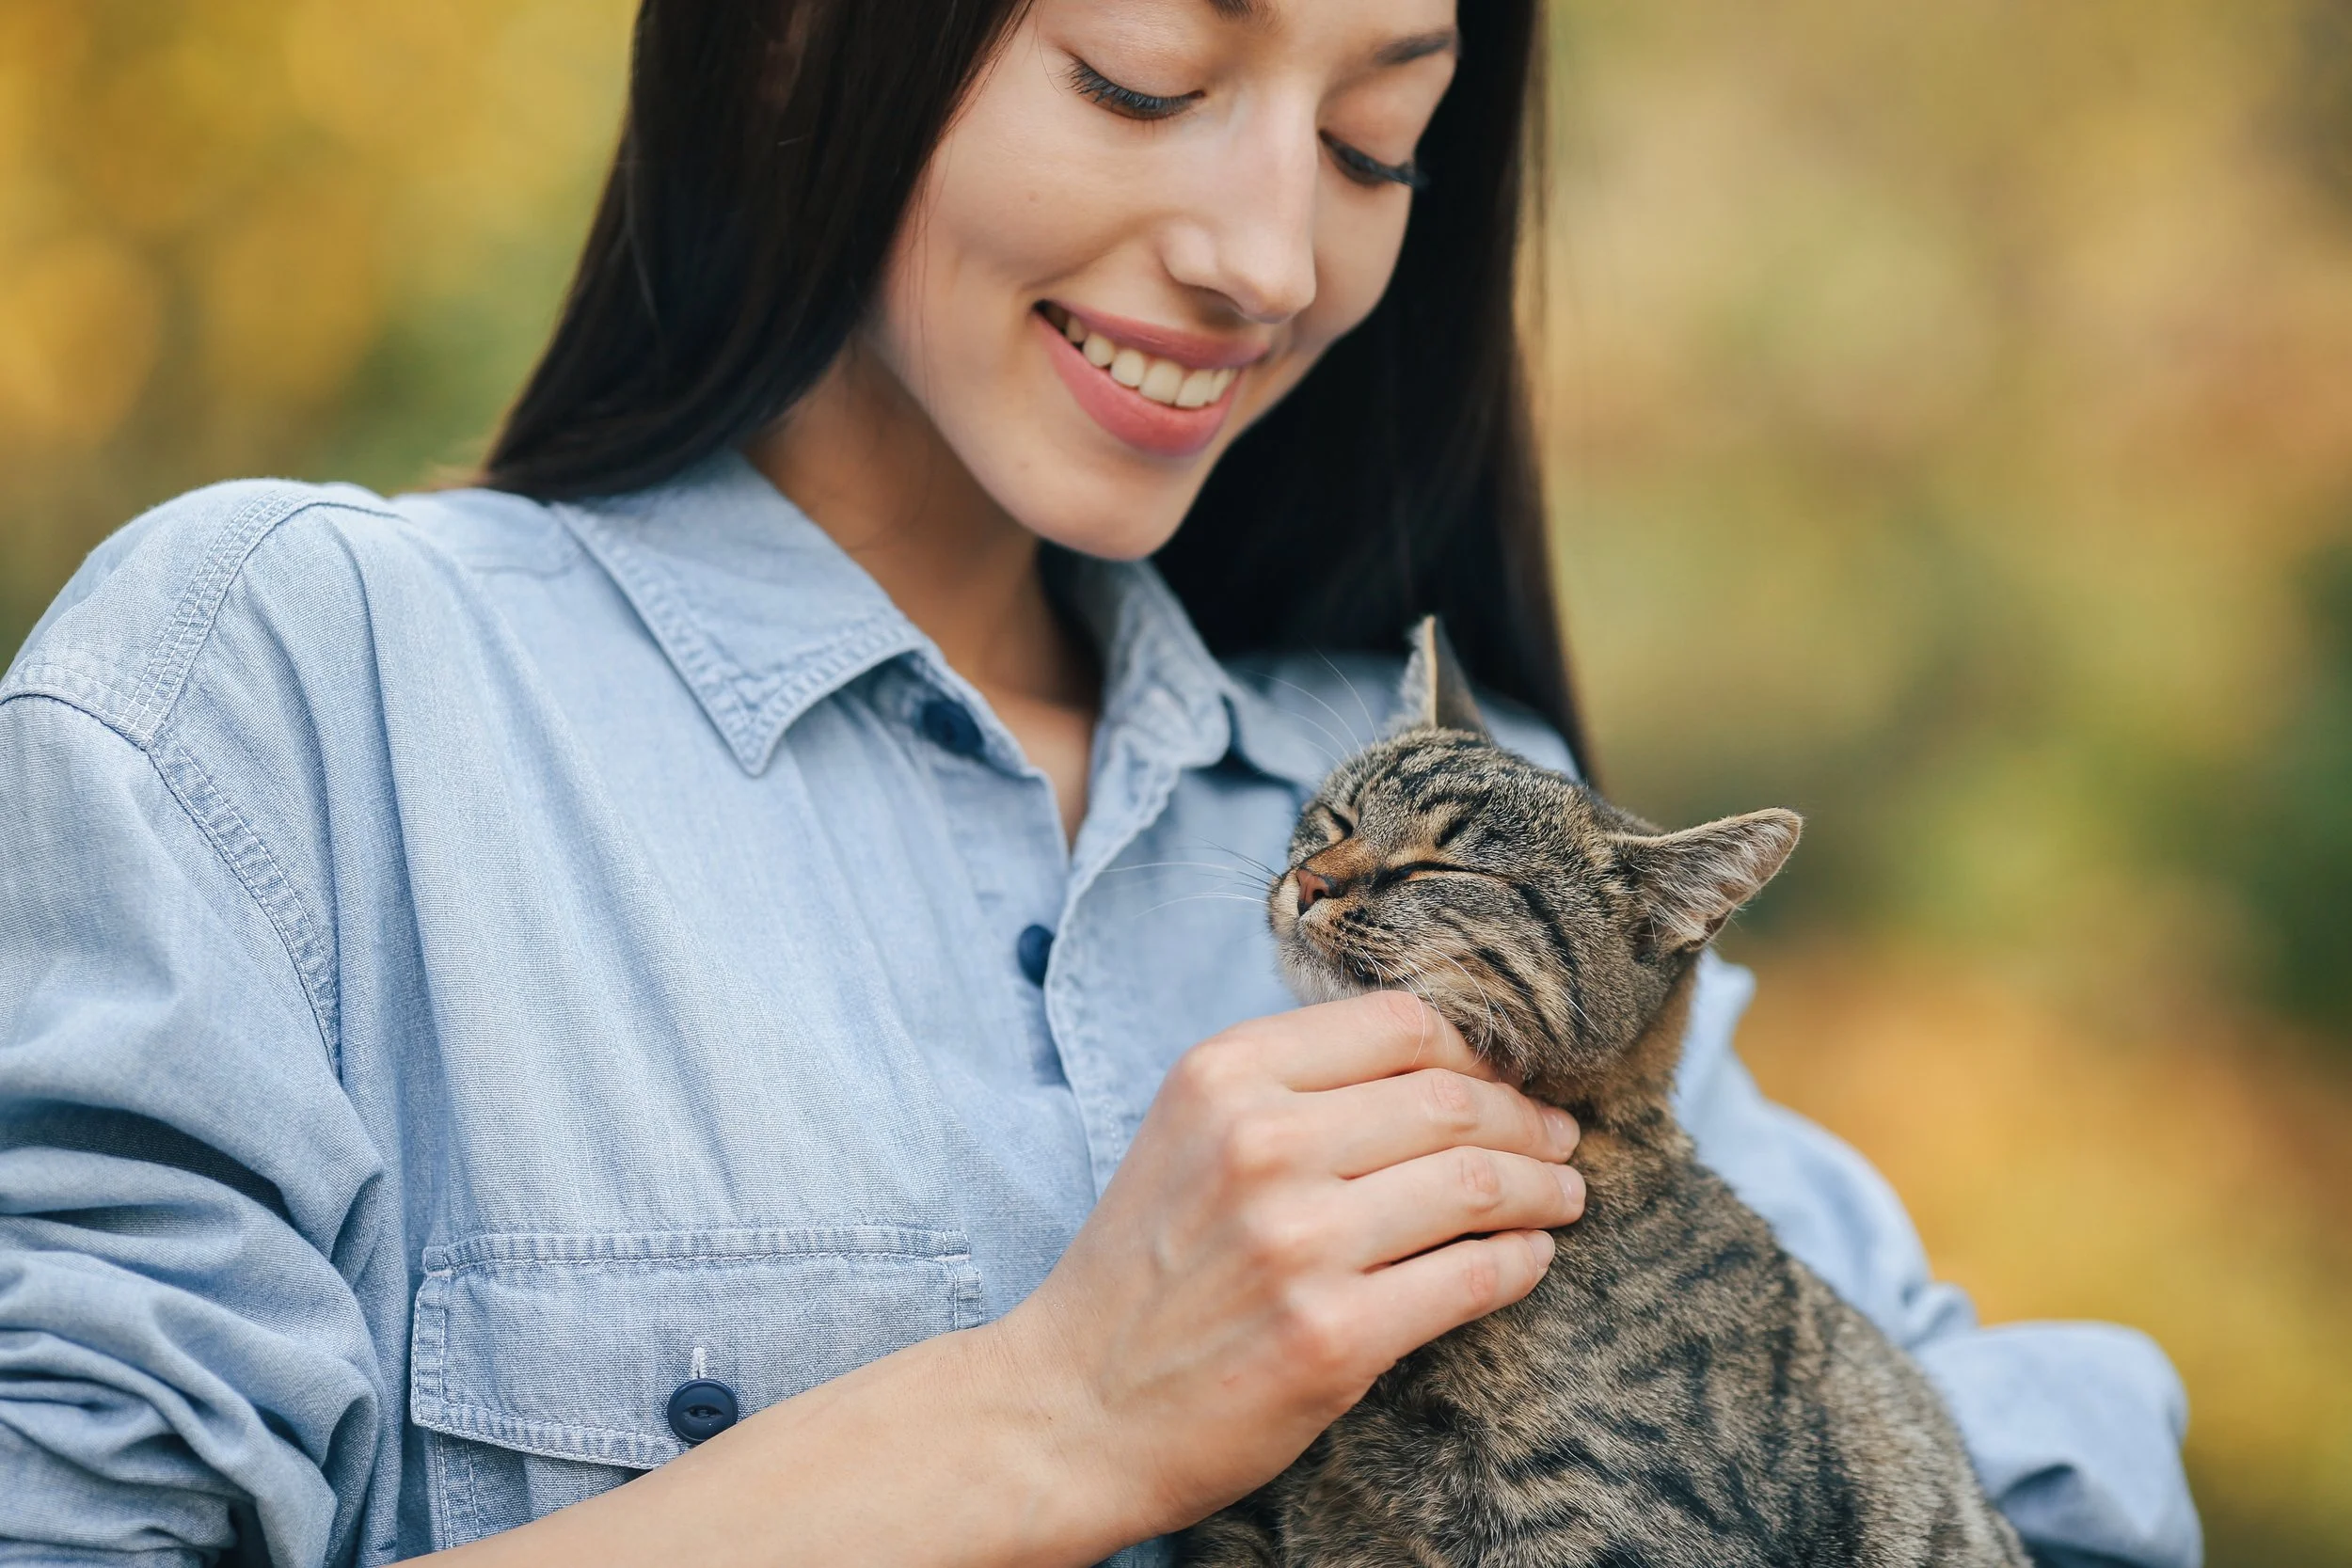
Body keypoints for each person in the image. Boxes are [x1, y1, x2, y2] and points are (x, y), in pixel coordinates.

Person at [0, 2, 2198, 1565]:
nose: (1269, 254)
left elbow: (2034, 1480)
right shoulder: (296, 688)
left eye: (1373, 142)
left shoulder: (1477, 811)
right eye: (1146, 78)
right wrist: (1048, 1412)